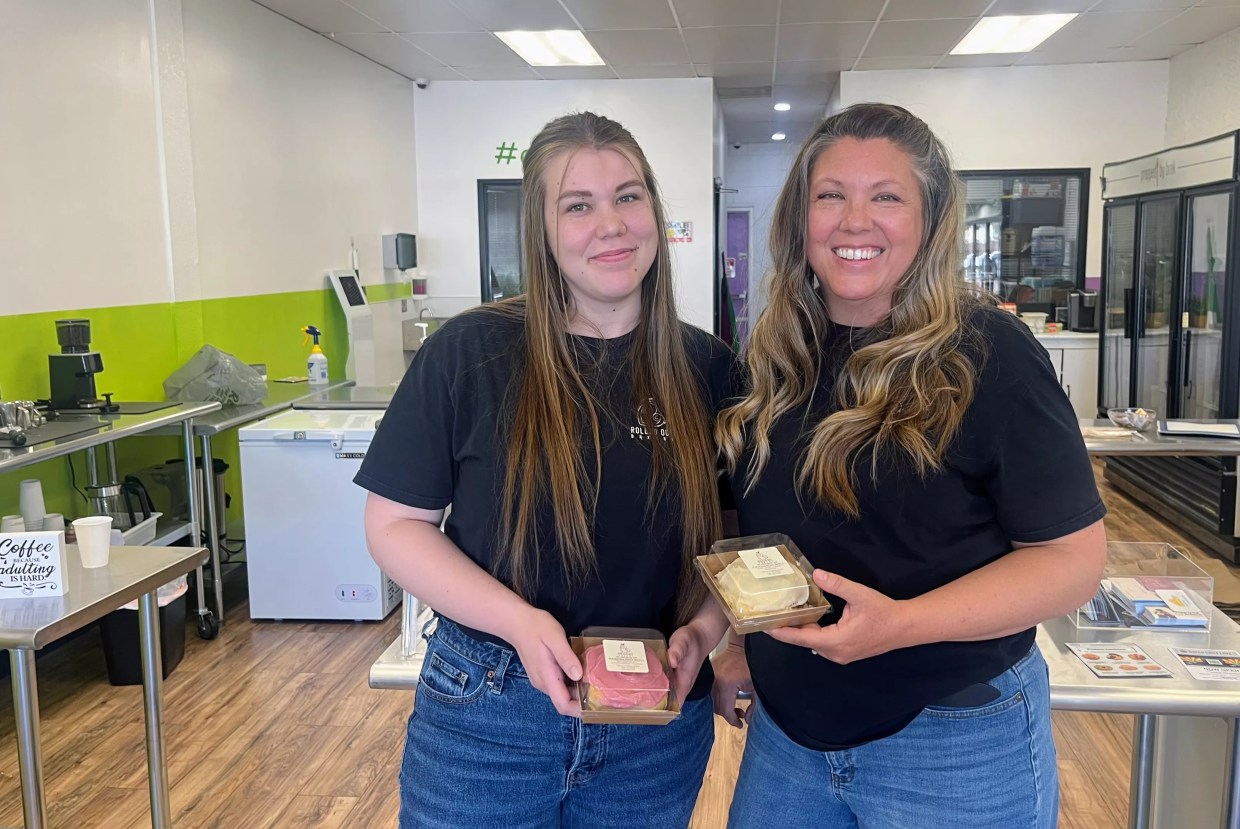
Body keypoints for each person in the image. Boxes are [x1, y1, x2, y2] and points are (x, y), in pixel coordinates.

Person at [711, 102, 1107, 828]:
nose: (854, 221)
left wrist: (902, 623)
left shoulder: (988, 354)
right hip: (787, 742)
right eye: (830, 195)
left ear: (929, 220)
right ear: (800, 218)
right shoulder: (772, 357)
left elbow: (1072, 561)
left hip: (953, 744)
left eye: (886, 197)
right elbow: (755, 530)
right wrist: (736, 643)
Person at [355, 111, 740, 829]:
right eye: (578, 205)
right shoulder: (470, 353)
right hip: (487, 714)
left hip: (653, 727)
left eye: (629, 196)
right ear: (541, 229)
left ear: (655, 208)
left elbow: (731, 535)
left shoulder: (709, 368)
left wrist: (705, 627)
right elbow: (395, 525)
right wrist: (520, 623)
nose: (612, 223)